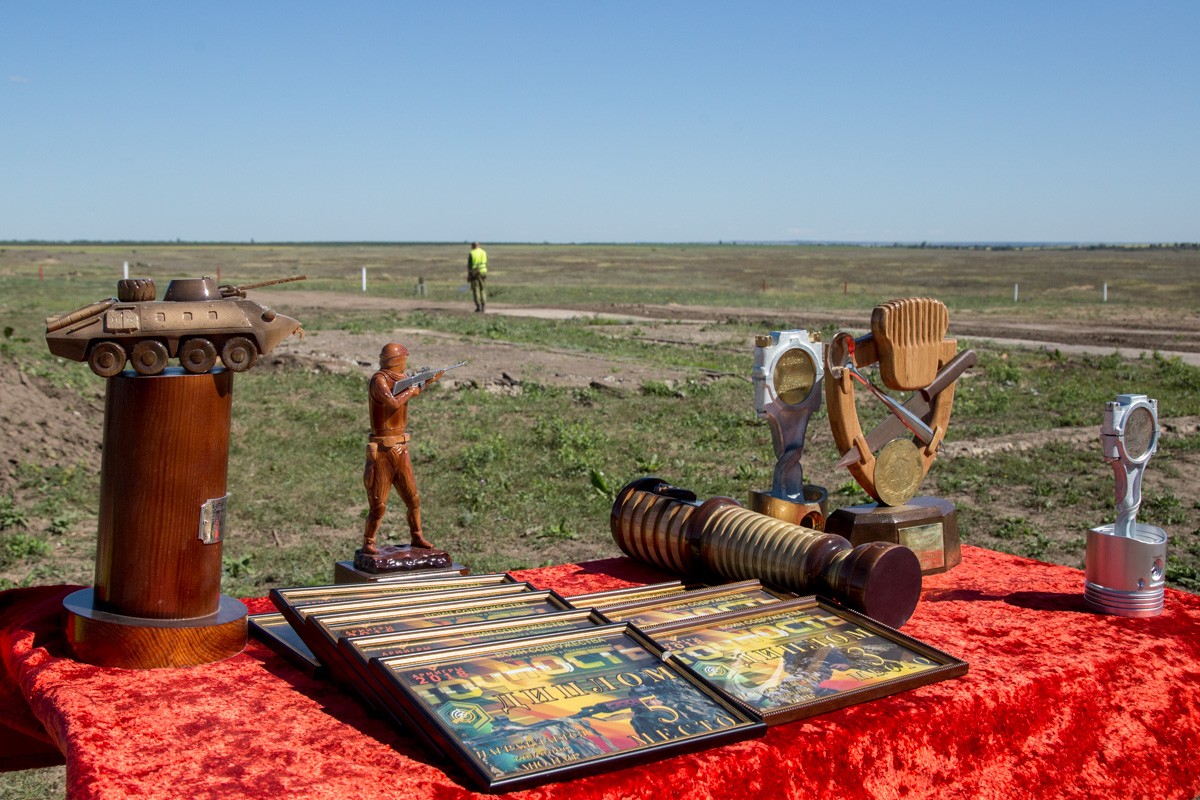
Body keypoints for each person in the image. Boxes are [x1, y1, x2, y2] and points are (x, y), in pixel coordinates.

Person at [361, 343, 441, 553]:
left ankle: (417, 536)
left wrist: (426, 381)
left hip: (400, 448)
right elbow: (393, 403)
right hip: (383, 450)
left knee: (413, 499)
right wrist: (412, 391)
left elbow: (410, 390)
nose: (405, 363)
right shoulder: (379, 380)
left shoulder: (401, 379)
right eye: (403, 360)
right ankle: (369, 542)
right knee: (378, 504)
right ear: (397, 361)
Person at [467, 242, 488, 312]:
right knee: (483, 289)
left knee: (476, 289)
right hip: (483, 272)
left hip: (475, 273)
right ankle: (483, 306)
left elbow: (469, 265)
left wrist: (469, 275)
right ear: (479, 246)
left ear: (473, 246)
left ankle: (478, 306)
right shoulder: (483, 252)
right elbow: (486, 262)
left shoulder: (472, 253)